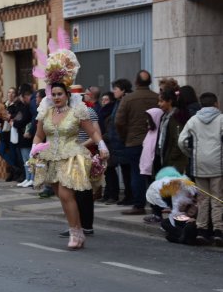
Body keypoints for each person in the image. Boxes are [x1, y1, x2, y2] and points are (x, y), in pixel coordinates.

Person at [32, 82, 108, 249]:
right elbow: (38, 135)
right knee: (61, 195)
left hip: (72, 156)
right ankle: (77, 229)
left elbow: (93, 131)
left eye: (60, 94)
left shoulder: (77, 111)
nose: (57, 97)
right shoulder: (46, 112)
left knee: (67, 195)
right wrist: (34, 149)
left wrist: (101, 145)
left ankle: (75, 232)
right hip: (51, 157)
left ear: (67, 95)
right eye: (54, 94)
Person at [178, 92, 223, 245]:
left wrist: (192, 154)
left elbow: (182, 141)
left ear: (201, 104)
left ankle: (201, 231)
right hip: (218, 164)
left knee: (203, 200)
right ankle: (218, 231)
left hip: (200, 164)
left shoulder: (194, 120)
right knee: (218, 199)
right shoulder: (221, 119)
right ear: (216, 103)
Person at [115, 70, 159, 215]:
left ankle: (139, 204)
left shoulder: (128, 99)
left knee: (137, 173)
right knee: (154, 174)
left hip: (134, 141)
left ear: (136, 82)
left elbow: (119, 122)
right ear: (150, 82)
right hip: (154, 142)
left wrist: (125, 137)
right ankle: (156, 206)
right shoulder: (157, 97)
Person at [0, 87, 23, 182]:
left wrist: (9, 116)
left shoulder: (16, 105)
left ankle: (15, 172)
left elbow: (17, 117)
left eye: (13, 93)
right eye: (9, 92)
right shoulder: (4, 105)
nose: (11, 94)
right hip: (3, 132)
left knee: (13, 153)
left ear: (15, 95)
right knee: (1, 151)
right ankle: (16, 168)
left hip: (12, 132)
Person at [12, 84, 34, 187]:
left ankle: (31, 178)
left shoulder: (28, 107)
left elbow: (22, 120)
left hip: (26, 136)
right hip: (21, 136)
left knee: (29, 159)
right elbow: (17, 118)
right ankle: (27, 177)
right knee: (25, 159)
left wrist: (15, 123)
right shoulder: (21, 106)